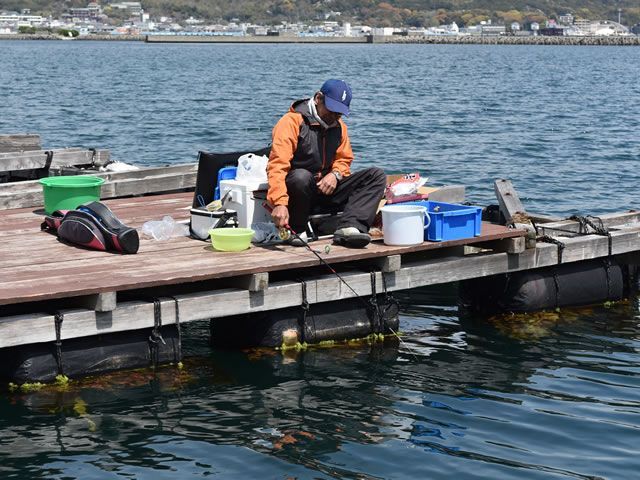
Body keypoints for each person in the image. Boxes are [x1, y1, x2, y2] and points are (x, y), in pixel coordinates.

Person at [267, 79, 386, 248]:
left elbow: (344, 159)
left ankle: (350, 228)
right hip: (298, 193)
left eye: (339, 114)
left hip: (326, 190)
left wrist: (335, 174)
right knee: (301, 176)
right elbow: (277, 165)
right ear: (318, 98)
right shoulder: (291, 122)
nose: (334, 117)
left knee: (376, 175)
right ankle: (297, 228)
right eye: (331, 111)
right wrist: (279, 203)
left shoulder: (340, 127)